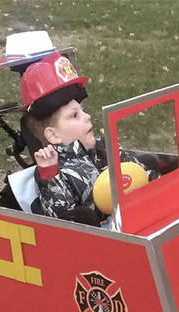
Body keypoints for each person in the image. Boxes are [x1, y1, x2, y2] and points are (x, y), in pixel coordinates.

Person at [19, 52, 157, 226]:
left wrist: (153, 178)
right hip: (98, 239)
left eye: (83, 110)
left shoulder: (103, 149)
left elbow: (136, 171)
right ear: (53, 135)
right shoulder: (54, 172)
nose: (87, 117)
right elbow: (58, 218)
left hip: (135, 217)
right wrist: (49, 175)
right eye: (75, 115)